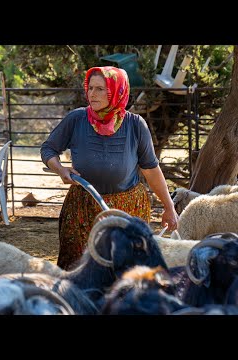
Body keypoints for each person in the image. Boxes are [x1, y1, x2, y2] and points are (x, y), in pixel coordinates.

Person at [40, 66, 179, 271]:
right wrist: (60, 169)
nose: (92, 94)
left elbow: (151, 169)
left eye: (100, 89)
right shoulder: (76, 119)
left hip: (128, 208)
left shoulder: (135, 125)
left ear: (117, 91)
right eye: (90, 88)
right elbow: (48, 149)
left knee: (125, 268)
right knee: (78, 267)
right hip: (82, 206)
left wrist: (169, 207)